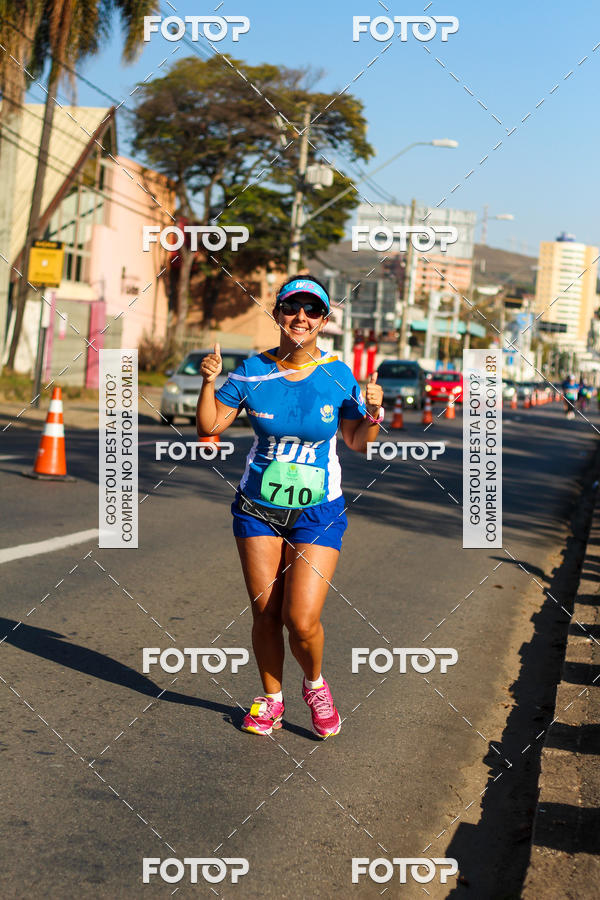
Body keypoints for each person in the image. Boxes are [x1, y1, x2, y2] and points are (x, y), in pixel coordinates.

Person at [196, 275, 384, 739]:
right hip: (257, 506)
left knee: (301, 619)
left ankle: (316, 685)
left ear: (323, 320)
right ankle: (271, 698)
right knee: (266, 613)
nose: (302, 317)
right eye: (292, 308)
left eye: (312, 310)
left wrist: (375, 413)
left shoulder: (338, 374)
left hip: (318, 511)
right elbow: (210, 425)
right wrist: (209, 381)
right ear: (277, 313)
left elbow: (358, 442)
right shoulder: (251, 371)